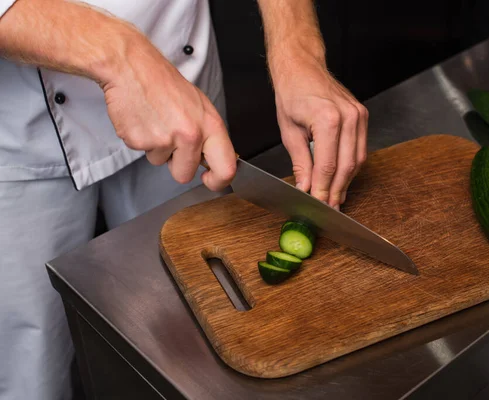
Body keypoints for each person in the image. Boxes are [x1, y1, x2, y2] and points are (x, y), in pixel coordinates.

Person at [0, 0, 368, 399]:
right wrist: (122, 52)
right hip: (19, 135)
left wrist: (297, 48)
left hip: (182, 93)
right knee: (32, 368)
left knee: (197, 334)